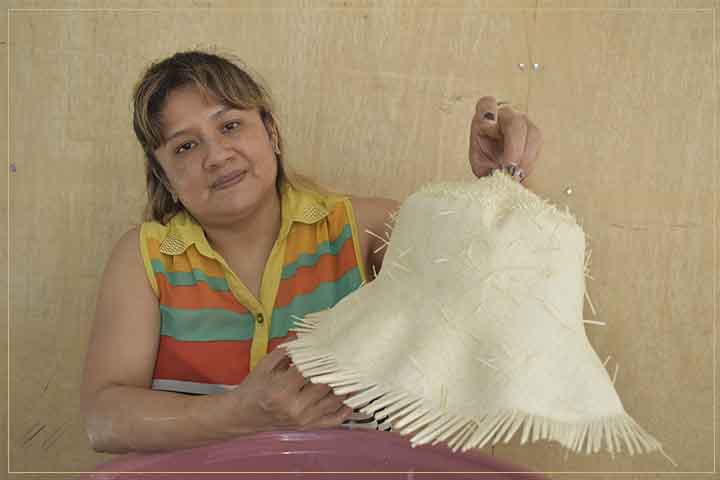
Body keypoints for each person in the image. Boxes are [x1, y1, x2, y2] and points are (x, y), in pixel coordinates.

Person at [80, 49, 543, 454]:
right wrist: (240, 413)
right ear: (165, 179)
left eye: (231, 125)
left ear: (272, 132)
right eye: (185, 145)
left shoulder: (363, 230)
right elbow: (105, 419)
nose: (217, 156)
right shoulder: (146, 257)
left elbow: (482, 290)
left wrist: (499, 187)